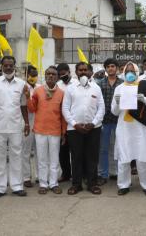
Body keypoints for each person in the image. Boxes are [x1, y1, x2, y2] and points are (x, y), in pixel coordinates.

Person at [112, 61, 146, 196]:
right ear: (123, 73)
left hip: (142, 128)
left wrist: (144, 99)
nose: (129, 73)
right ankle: (123, 185)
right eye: (127, 71)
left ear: (136, 72)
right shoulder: (119, 88)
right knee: (124, 158)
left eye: (132, 71)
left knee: (143, 157)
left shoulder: (144, 86)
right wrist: (117, 103)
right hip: (124, 128)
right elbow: (114, 112)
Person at [0, 56, 30, 199]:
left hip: (15, 126)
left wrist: (26, 123)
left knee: (16, 156)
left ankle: (17, 186)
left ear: (15, 66)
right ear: (1, 66)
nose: (8, 68)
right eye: (5, 65)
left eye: (10, 65)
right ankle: (0, 187)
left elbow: (24, 105)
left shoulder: (21, 84)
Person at [62, 62, 105, 195]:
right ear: (76, 72)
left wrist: (93, 123)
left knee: (92, 157)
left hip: (93, 128)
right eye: (80, 70)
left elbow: (101, 108)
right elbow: (65, 108)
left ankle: (92, 184)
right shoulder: (70, 88)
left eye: (85, 70)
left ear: (89, 72)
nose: (83, 72)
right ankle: (76, 184)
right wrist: (74, 124)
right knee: (76, 157)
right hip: (74, 129)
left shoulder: (96, 88)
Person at [27, 66, 65, 195]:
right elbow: (32, 109)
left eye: (53, 74)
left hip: (55, 130)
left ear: (57, 77)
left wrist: (64, 132)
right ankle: (43, 183)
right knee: (42, 158)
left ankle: (53, 183)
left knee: (54, 159)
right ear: (45, 75)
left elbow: (63, 114)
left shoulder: (61, 93)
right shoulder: (38, 91)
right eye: (48, 74)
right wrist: (28, 97)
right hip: (40, 130)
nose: (50, 76)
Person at [97, 58, 123, 185]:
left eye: (113, 66)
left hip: (120, 121)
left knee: (118, 148)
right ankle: (103, 174)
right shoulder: (100, 84)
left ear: (117, 68)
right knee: (104, 149)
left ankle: (117, 173)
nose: (111, 68)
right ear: (105, 69)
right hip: (104, 121)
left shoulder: (123, 84)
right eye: (108, 66)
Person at [22, 65, 40, 188]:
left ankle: (40, 176)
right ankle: (26, 177)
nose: (33, 77)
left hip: (39, 123)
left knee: (39, 151)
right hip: (26, 122)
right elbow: (22, 106)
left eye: (35, 75)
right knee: (26, 151)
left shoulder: (40, 88)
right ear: (26, 75)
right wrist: (27, 123)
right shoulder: (22, 87)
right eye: (31, 74)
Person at [56, 63, 74, 183]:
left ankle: (78, 173)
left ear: (69, 71)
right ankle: (66, 174)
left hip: (74, 121)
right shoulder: (57, 85)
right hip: (61, 123)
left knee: (76, 150)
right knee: (63, 151)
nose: (63, 76)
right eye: (60, 74)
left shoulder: (77, 83)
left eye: (64, 73)